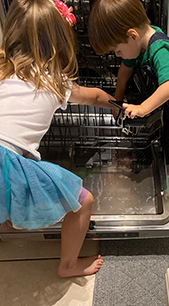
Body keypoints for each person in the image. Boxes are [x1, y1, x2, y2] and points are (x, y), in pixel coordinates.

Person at [0, 0, 118, 277]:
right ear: (59, 41)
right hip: (8, 161)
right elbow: (95, 96)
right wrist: (118, 105)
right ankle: (68, 265)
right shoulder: (53, 80)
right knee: (82, 201)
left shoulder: (2, 70)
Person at [88, 0, 169, 178]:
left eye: (117, 51)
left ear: (132, 36)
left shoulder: (160, 50)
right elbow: (124, 71)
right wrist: (117, 100)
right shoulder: (138, 43)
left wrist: (142, 108)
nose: (117, 55)